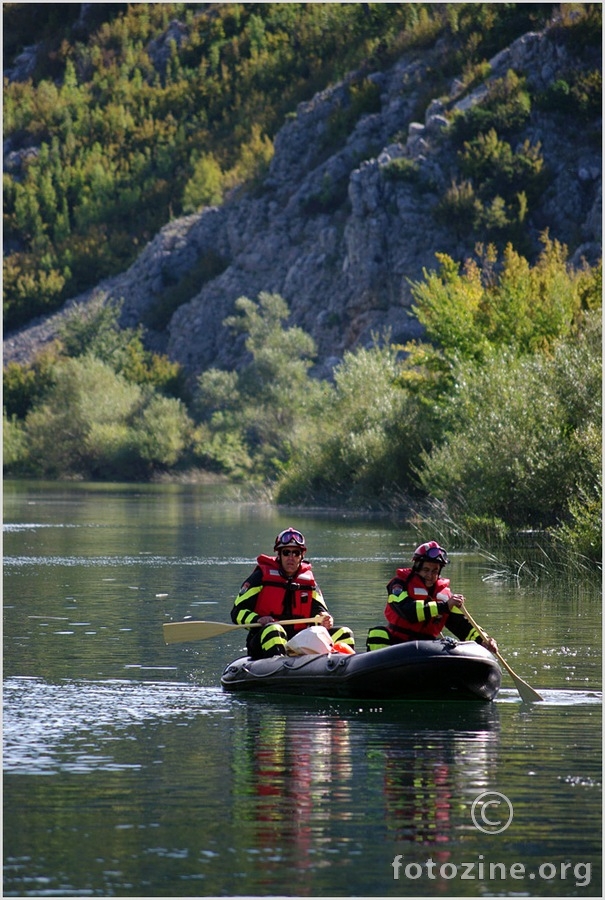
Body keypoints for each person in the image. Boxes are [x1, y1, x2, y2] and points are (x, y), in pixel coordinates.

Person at [232, 527, 355, 659]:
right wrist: (258, 619)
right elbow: (237, 613)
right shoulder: (260, 578)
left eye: (296, 553)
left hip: (300, 641)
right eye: (286, 552)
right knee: (274, 629)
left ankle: (344, 668)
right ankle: (279, 669)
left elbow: (321, 612)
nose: (291, 558)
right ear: (279, 555)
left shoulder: (309, 583)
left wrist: (325, 618)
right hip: (263, 640)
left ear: (302, 556)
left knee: (344, 632)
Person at [366, 540, 498, 654]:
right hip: (396, 645)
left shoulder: (445, 597)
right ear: (417, 568)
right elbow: (408, 611)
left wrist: (484, 640)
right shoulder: (399, 585)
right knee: (378, 634)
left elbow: (463, 626)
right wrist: (444, 607)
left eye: (435, 571)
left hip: (426, 650)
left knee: (447, 644)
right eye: (426, 570)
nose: (430, 575)